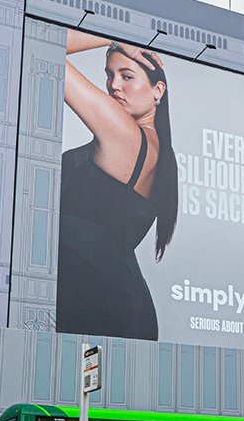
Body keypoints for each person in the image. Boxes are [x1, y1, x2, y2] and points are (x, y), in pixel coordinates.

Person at [56, 29, 178, 341]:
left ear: (157, 90)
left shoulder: (126, 134)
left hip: (97, 307)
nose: (114, 86)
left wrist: (115, 35)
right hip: (108, 303)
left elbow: (39, 42)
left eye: (127, 76)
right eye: (110, 75)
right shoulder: (156, 149)